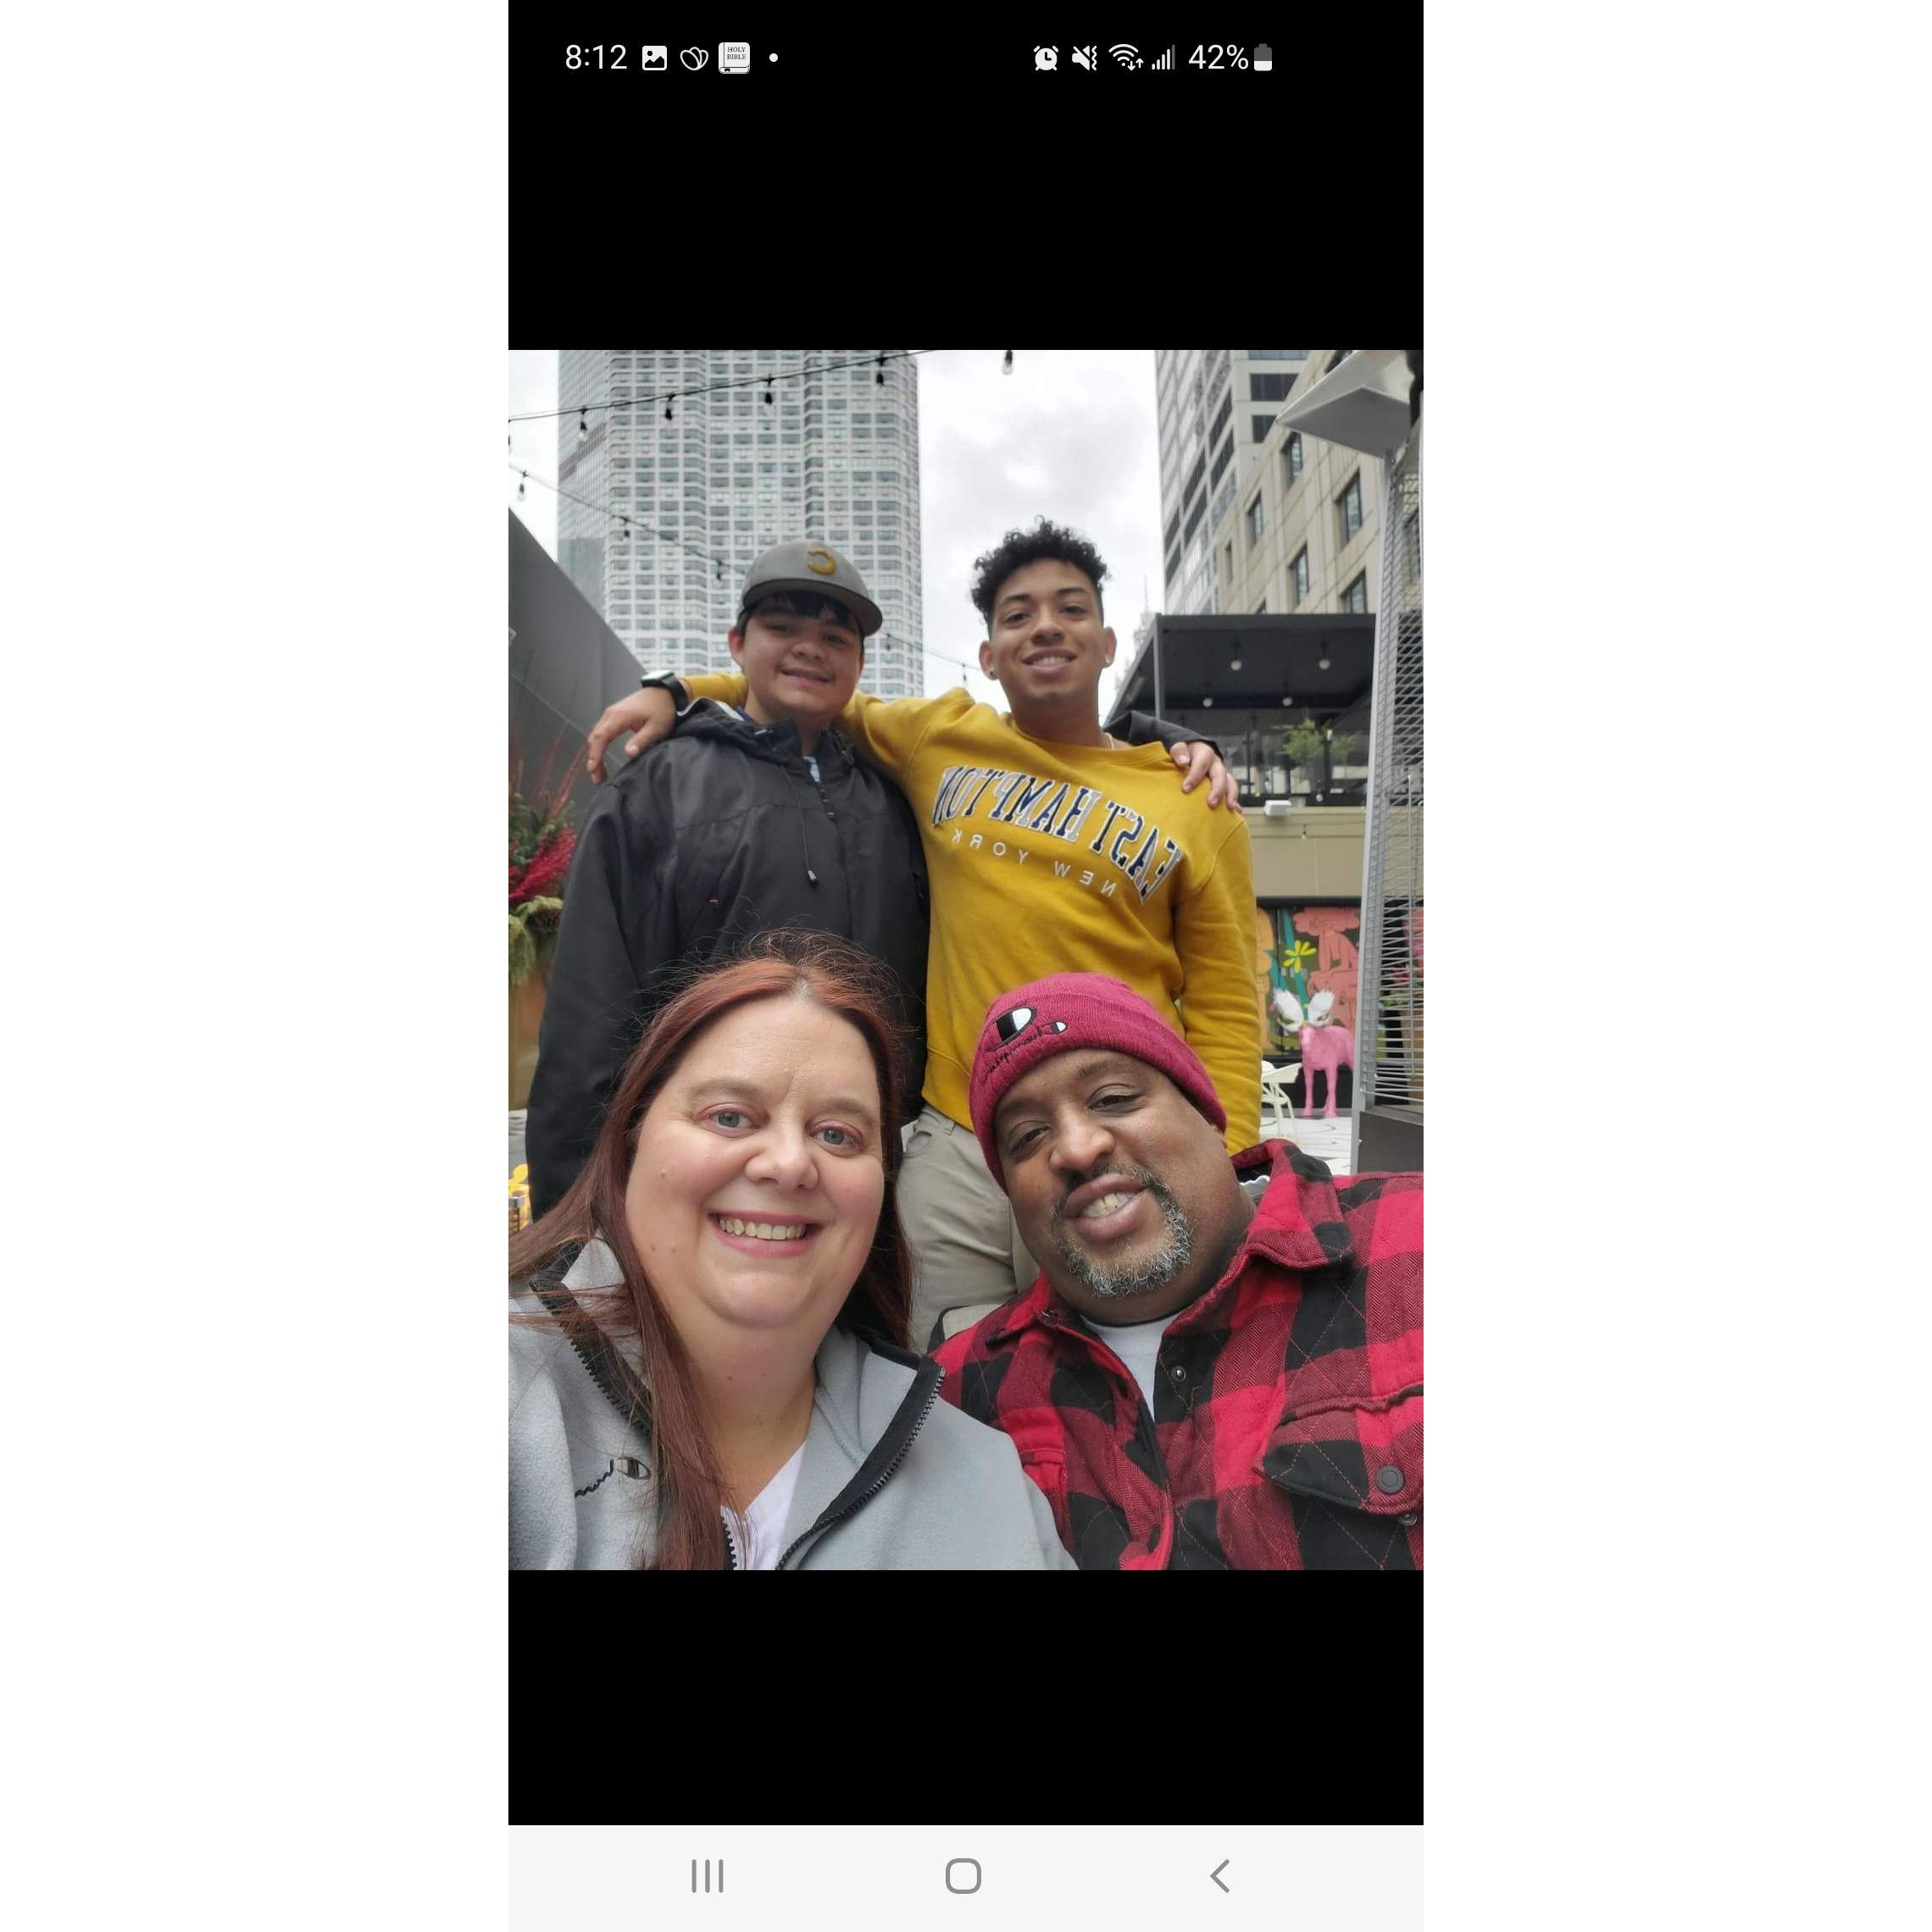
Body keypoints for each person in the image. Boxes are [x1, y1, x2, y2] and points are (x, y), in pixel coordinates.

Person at [587, 519, 1263, 1351]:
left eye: (1070, 609)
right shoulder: (937, 737)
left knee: (1143, 1353)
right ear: (986, 655)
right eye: (1017, 615)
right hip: (958, 1138)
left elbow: (1230, 998)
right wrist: (674, 690)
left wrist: (1230, 1159)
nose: (1045, 626)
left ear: (1108, 640)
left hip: (1121, 1130)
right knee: (950, 1372)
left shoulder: (1195, 800)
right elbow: (803, 682)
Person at [509, 932, 1074, 1570]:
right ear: (630, 1144)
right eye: (729, 1116)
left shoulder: (987, 1486)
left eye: (838, 1134)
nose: (788, 1163)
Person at [930, 971, 1423, 1571]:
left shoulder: (1416, 1239)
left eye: (1113, 1098)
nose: (1078, 1148)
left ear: (1207, 1113)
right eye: (1028, 1137)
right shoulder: (957, 1396)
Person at [525, 542, 929, 1218]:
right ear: (737, 645)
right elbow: (588, 1019)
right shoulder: (661, 784)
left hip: (858, 1168)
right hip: (703, 1169)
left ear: (860, 664)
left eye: (836, 638)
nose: (811, 650)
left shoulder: (894, 799)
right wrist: (574, 1221)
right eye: (784, 629)